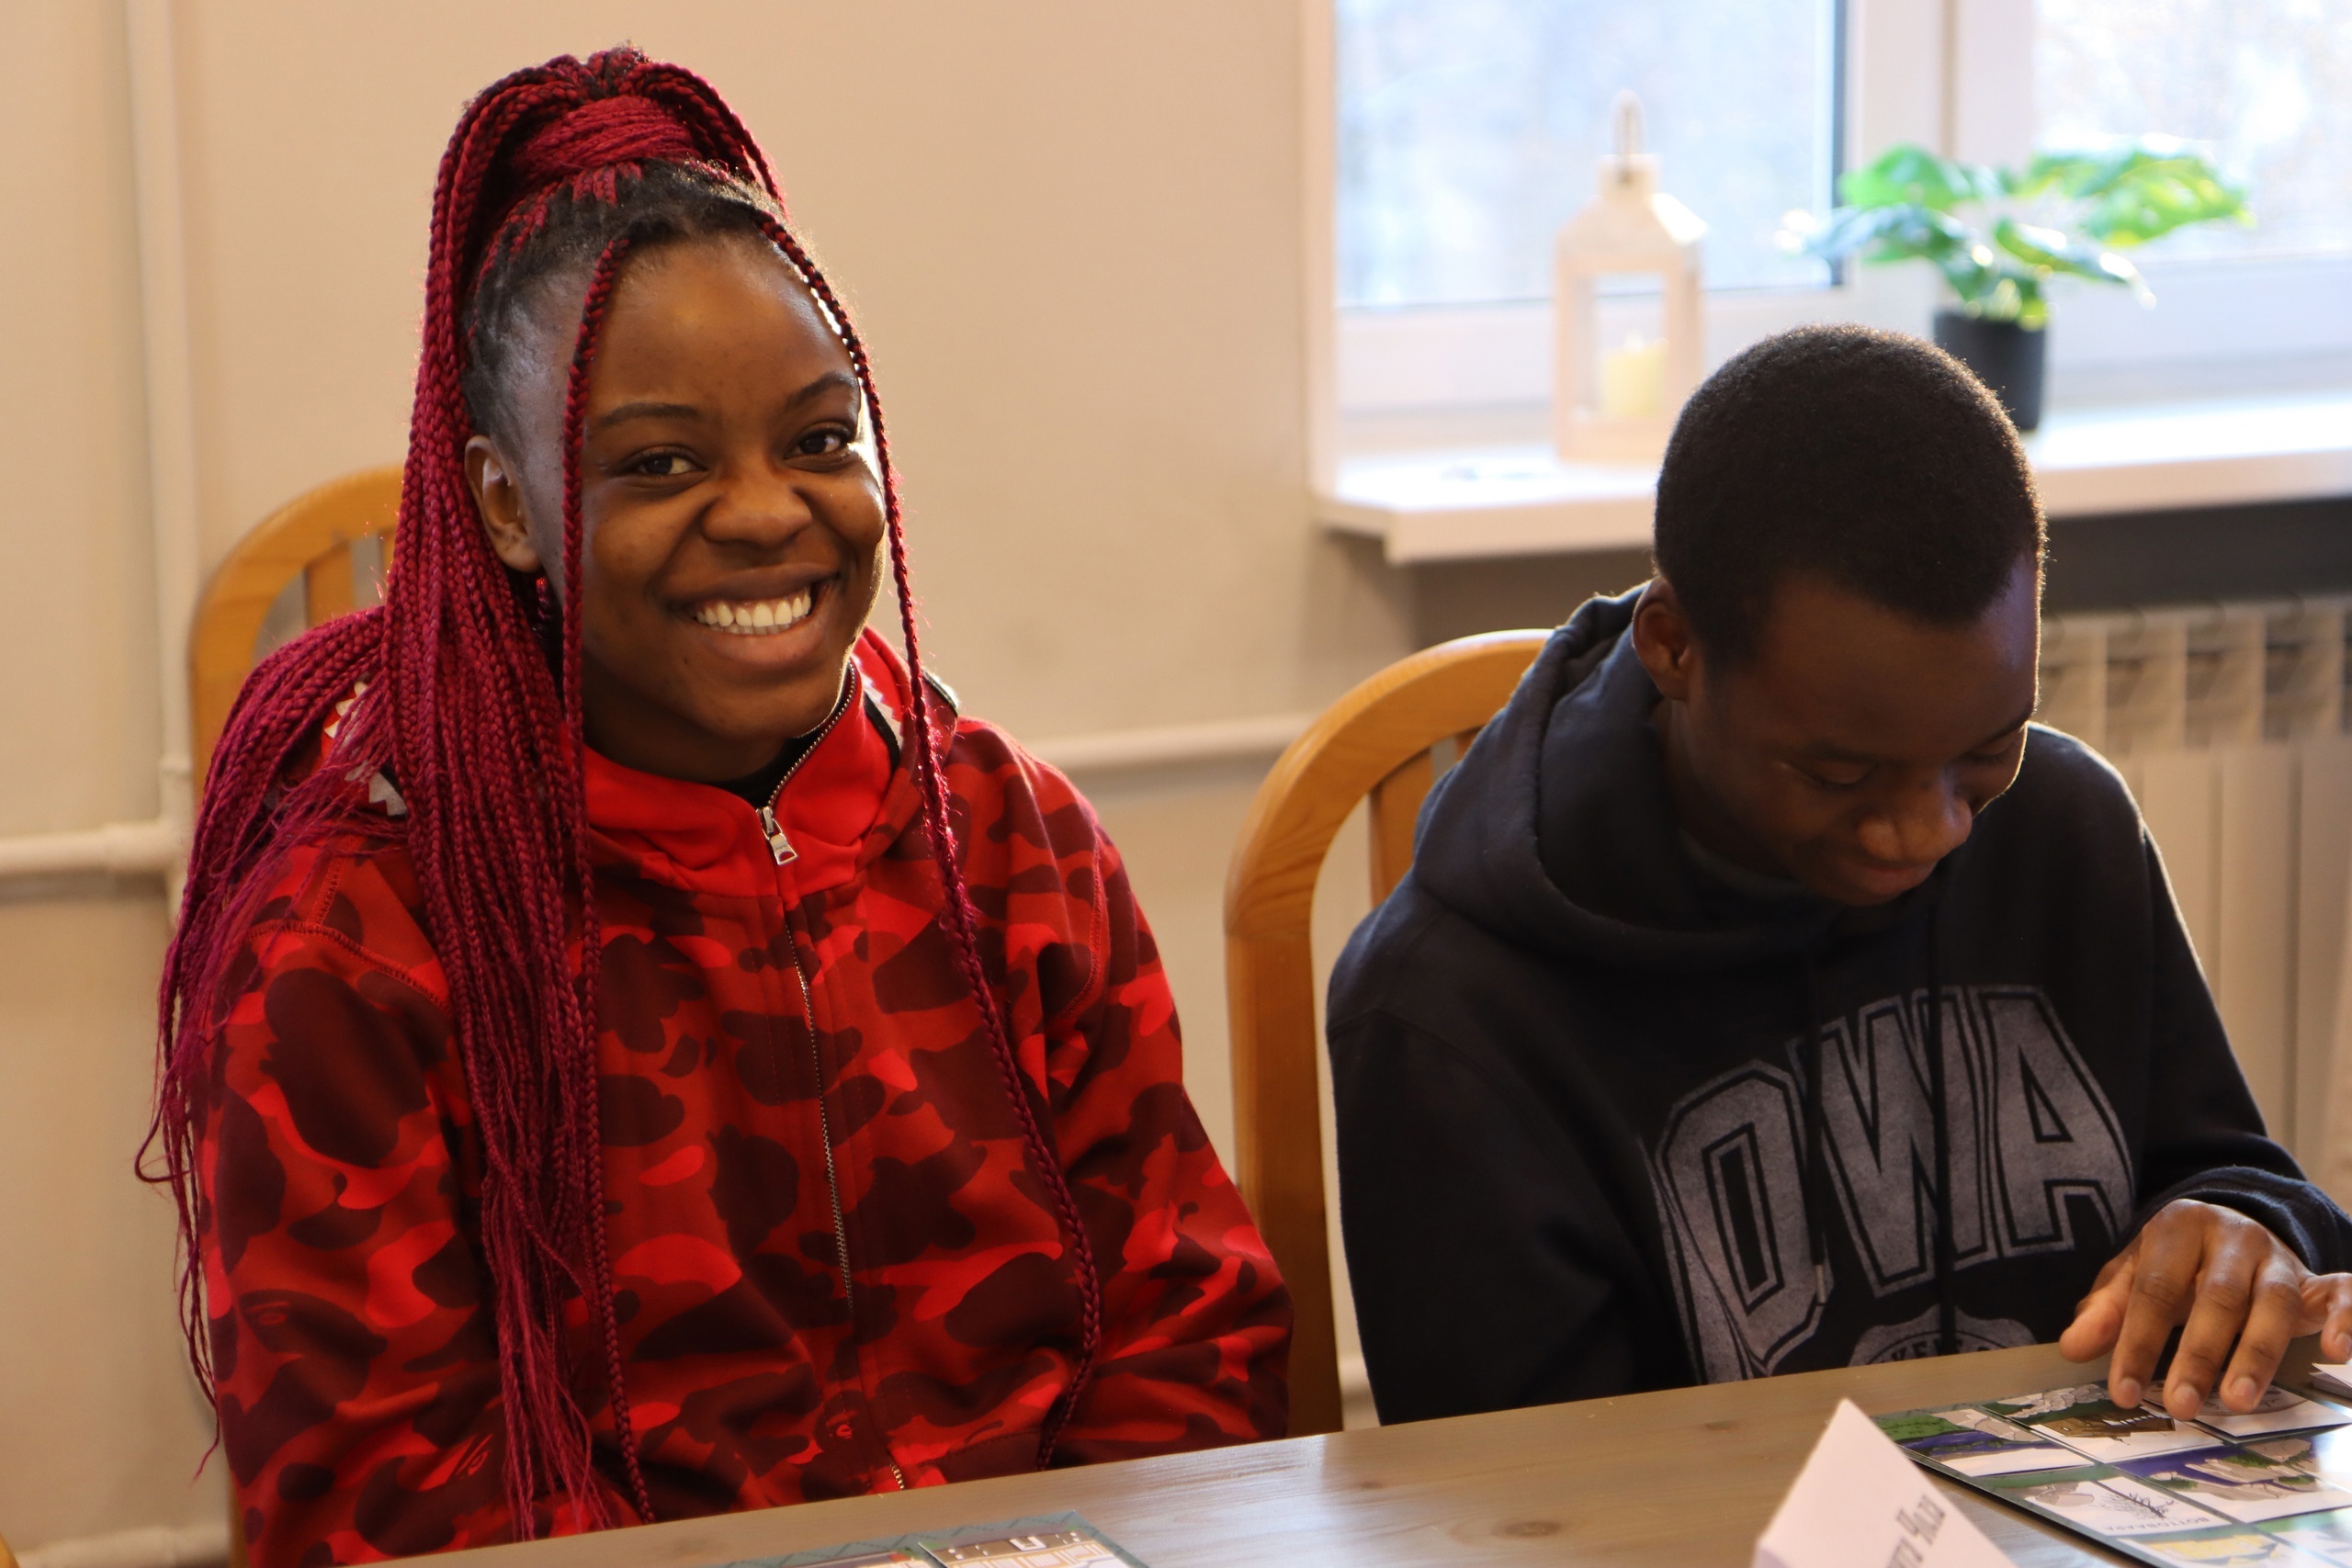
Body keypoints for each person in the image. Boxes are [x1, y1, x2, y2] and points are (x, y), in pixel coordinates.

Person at [147, 50, 1287, 1562]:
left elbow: (1191, 1331)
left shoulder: (1015, 841)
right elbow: (390, 1502)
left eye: (818, 438)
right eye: (662, 461)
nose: (765, 511)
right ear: (506, 504)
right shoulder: (358, 941)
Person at [1327, 324, 2352, 1427]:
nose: (1927, 831)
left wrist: (2245, 1231)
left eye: (1986, 747)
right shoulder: (1447, 1005)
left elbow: (2227, 1176)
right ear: (1672, 647)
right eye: (1838, 772)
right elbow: (1513, 1483)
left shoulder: (2066, 826)